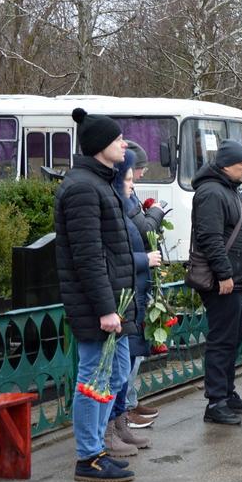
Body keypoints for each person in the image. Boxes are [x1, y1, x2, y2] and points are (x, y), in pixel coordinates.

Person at [56, 108, 137, 481]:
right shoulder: (83, 187)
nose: (124, 144)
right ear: (101, 145)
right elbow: (87, 256)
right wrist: (106, 308)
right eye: (118, 139)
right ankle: (88, 455)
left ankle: (96, 448)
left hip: (113, 304)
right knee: (94, 377)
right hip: (98, 306)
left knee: (117, 372)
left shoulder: (100, 182)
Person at [191, 140, 242, 424]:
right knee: (221, 341)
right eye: (241, 163)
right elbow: (210, 237)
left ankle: (228, 393)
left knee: (232, 340)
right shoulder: (211, 192)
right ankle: (216, 402)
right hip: (225, 282)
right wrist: (224, 274)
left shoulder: (229, 190)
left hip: (238, 279)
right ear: (224, 165)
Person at [104, 150, 157, 457]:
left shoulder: (124, 208)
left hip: (129, 300)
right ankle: (108, 431)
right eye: (128, 178)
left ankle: (120, 424)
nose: (133, 185)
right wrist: (144, 259)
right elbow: (112, 258)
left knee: (123, 370)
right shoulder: (113, 210)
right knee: (111, 374)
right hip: (118, 302)